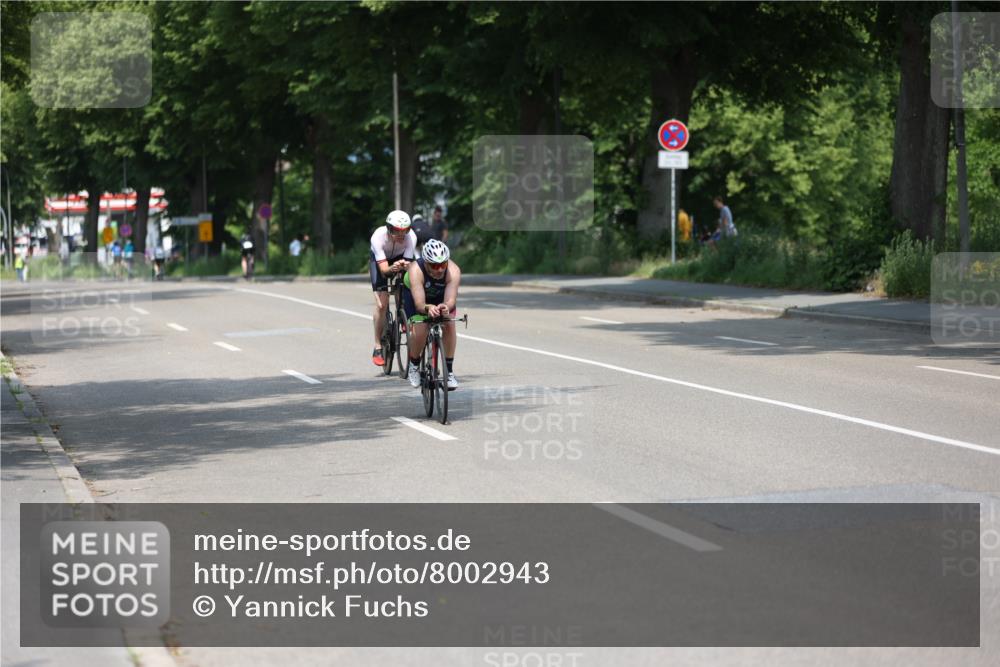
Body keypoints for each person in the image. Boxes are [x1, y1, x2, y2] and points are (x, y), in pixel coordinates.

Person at [403, 239, 461, 390]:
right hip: (417, 297)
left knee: (449, 323)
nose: (440, 269)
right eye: (435, 265)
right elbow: (419, 304)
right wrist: (428, 308)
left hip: (440, 296)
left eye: (443, 264)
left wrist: (445, 306)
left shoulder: (453, 271)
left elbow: (451, 300)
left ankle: (449, 372)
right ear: (426, 263)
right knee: (421, 328)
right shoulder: (416, 270)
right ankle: (414, 365)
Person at [369, 210, 417, 366]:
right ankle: (377, 346)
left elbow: (409, 266)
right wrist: (392, 268)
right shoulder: (378, 237)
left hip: (400, 257)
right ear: (389, 228)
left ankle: (403, 316)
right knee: (382, 304)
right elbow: (384, 270)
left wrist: (404, 267)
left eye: (405, 230)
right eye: (397, 230)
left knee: (405, 287)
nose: (402, 234)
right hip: (381, 261)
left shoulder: (411, 237)